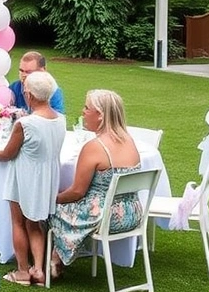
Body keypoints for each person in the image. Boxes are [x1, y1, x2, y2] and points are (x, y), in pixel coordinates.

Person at [0, 71, 65, 286]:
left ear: (29, 95)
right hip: (46, 177)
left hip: (24, 177)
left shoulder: (25, 124)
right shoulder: (60, 120)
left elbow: (8, 153)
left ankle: (23, 271)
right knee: (35, 223)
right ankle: (38, 268)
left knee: (18, 222)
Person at [47, 89, 143, 279]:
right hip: (133, 212)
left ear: (100, 115)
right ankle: (59, 255)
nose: (83, 112)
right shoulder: (129, 140)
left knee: (50, 209)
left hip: (105, 216)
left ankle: (53, 259)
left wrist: (52, 199)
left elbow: (77, 192)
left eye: (87, 108)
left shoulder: (95, 147)